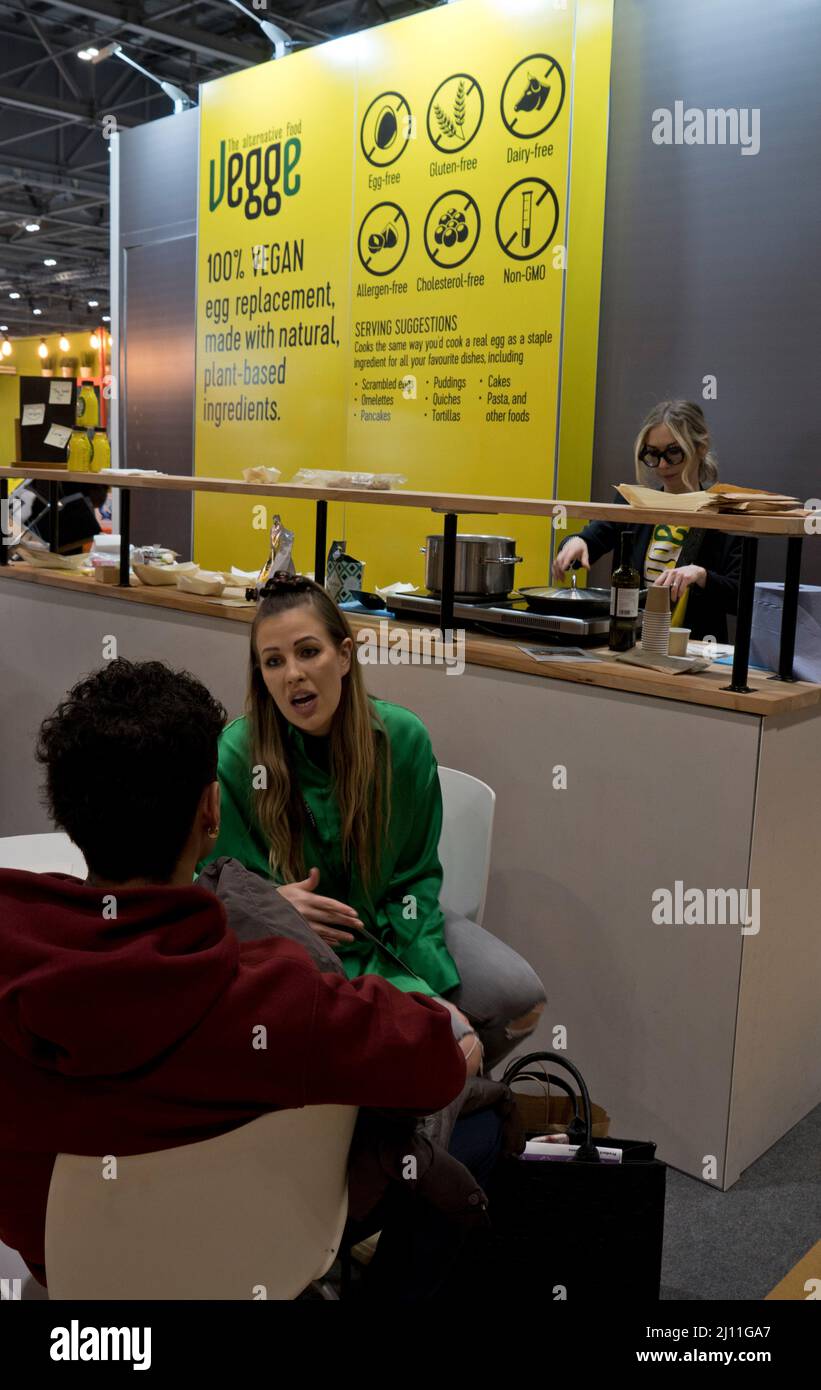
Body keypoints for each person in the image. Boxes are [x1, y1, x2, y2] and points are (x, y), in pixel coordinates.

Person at [0, 659, 476, 1291]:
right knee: (476, 1131)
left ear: (67, 814)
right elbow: (436, 1061)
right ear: (211, 810)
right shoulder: (284, 999)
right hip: (257, 1263)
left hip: (66, 1270)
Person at [202, 573, 546, 1071]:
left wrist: (419, 985)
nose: (292, 674)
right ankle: (407, 1118)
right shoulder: (236, 754)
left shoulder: (403, 740)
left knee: (518, 998)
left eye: (308, 652)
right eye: (273, 662)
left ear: (343, 656)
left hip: (395, 917)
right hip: (292, 943)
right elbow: (208, 881)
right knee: (450, 1044)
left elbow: (414, 877)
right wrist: (270, 904)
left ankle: (412, 1112)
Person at [552, 400, 741, 641]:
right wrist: (576, 543)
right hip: (631, 644)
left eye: (673, 452)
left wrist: (701, 575)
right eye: (652, 454)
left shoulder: (726, 515)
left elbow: (741, 598)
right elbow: (590, 539)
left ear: (701, 447)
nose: (662, 465)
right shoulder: (635, 505)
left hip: (696, 652)